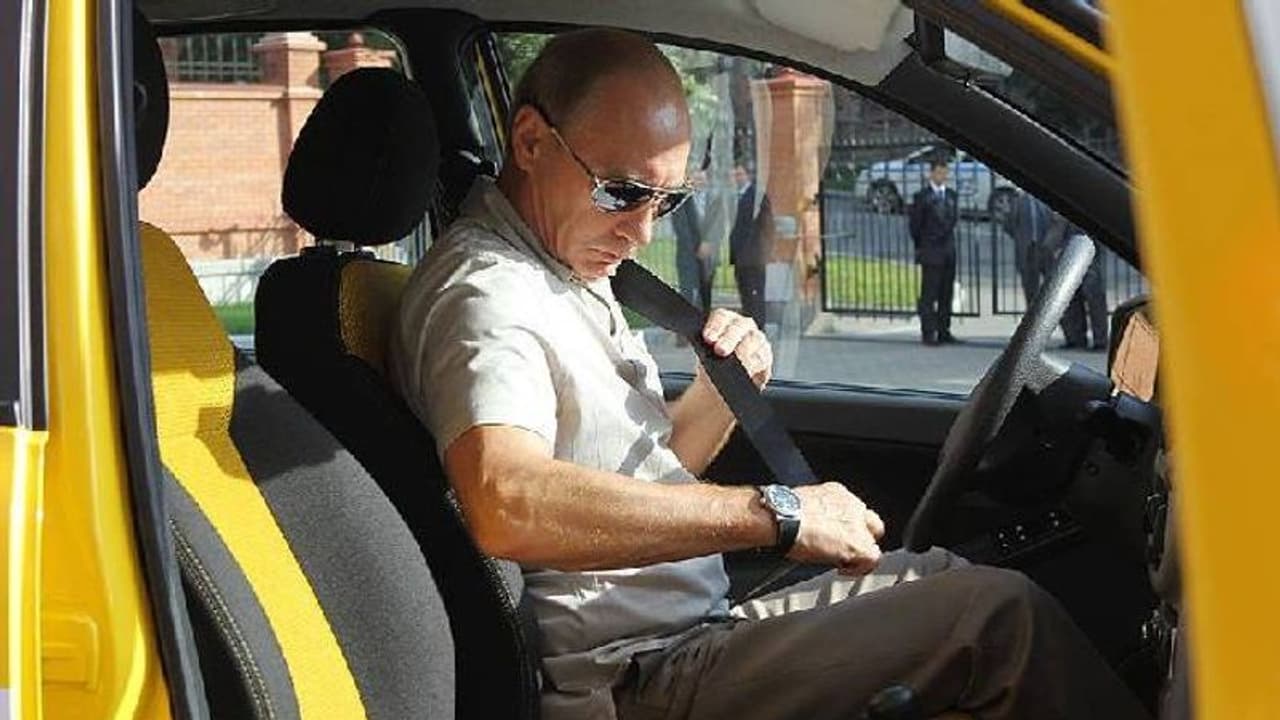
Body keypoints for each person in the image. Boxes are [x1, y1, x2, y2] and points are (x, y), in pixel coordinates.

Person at [392, 28, 1149, 720]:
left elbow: (638, 477)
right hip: (636, 678)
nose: (643, 231)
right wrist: (778, 513)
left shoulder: (561, 264)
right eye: (621, 192)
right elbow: (506, 499)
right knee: (998, 621)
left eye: (666, 199)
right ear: (530, 141)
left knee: (943, 576)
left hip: (691, 631)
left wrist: (721, 392)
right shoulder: (486, 295)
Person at [908, 159, 960, 345]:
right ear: (931, 174)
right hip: (931, 251)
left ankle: (944, 330)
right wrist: (923, 246)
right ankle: (928, 333)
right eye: (938, 172)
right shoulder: (922, 196)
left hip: (948, 252)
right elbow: (915, 227)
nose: (942, 176)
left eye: (944, 173)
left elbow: (953, 221)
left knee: (946, 294)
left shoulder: (951, 195)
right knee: (929, 294)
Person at [729, 164, 773, 330]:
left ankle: (758, 328)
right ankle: (749, 327)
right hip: (739, 257)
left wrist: (765, 251)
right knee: (745, 294)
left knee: (755, 295)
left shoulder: (757, 196)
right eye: (734, 175)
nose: (737, 178)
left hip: (754, 256)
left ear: (748, 175)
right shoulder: (735, 196)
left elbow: (768, 226)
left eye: (740, 174)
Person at [673, 169, 715, 312]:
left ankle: (705, 320)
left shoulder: (713, 200)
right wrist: (697, 248)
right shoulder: (682, 201)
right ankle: (686, 322)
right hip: (687, 253)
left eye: (702, 179)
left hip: (708, 254)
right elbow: (681, 228)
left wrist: (709, 243)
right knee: (688, 291)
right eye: (696, 179)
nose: (700, 182)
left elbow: (718, 224)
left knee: (706, 292)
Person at [1005, 190, 1055, 305]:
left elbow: (1055, 224)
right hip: (1027, 250)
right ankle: (1032, 311)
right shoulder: (1018, 201)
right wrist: (1020, 237)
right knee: (1029, 287)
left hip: (1045, 248)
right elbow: (1009, 226)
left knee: (1052, 284)